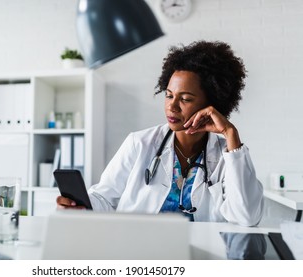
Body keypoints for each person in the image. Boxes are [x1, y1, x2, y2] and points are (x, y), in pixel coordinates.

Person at [57, 40, 264, 226]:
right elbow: (104, 198)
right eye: (169, 95)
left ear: (211, 103)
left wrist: (230, 134)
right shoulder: (139, 143)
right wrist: (80, 205)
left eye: (185, 99)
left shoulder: (224, 155)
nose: (171, 107)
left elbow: (247, 216)